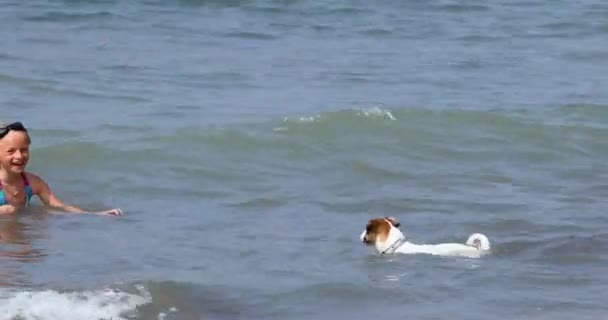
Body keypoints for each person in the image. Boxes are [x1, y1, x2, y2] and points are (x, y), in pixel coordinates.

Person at [0, 121, 122, 216]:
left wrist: (94, 215)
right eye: (11, 151)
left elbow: (59, 207)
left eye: (24, 150)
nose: (19, 156)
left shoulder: (32, 182)